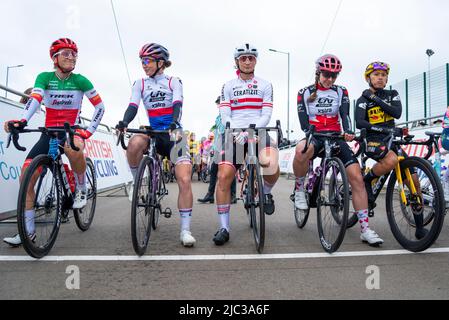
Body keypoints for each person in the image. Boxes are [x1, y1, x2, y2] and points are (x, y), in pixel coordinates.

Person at [3, 38, 105, 246]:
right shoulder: (45, 77)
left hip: (71, 130)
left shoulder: (81, 80)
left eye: (74, 54)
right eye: (66, 53)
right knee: (26, 177)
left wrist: (89, 132)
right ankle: (28, 231)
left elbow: (100, 107)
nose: (71, 57)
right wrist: (22, 120)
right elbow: (35, 99)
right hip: (49, 132)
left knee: (73, 147)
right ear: (54, 57)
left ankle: (82, 187)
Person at [293, 54, 383, 246]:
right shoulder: (304, 91)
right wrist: (310, 133)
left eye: (334, 75)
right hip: (315, 135)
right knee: (301, 149)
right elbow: (303, 121)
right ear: (318, 72)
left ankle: (365, 229)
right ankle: (300, 188)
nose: (330, 79)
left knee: (357, 178)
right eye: (326, 74)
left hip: (335, 137)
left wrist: (349, 131)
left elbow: (344, 115)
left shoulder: (341, 91)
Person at [115, 43, 196, 247]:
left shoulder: (173, 81)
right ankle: (137, 183)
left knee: (184, 179)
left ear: (161, 63)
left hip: (172, 132)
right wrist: (124, 122)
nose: (144, 65)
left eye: (148, 61)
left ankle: (185, 230)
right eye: (142, 61)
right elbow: (133, 106)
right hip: (152, 131)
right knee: (134, 144)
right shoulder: (140, 83)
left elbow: (177, 104)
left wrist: (174, 121)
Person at [212, 43, 280, 246]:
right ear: (237, 62)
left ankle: (265, 194)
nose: (248, 61)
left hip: (258, 130)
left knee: (272, 163)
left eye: (251, 58)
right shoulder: (228, 86)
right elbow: (225, 114)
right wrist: (236, 131)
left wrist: (250, 131)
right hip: (234, 132)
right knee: (223, 176)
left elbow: (266, 114)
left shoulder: (265, 85)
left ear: (255, 61)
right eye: (243, 58)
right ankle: (224, 227)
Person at [355, 61, 428, 240]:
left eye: (383, 75)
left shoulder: (391, 94)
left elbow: (396, 113)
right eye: (376, 75)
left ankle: (419, 228)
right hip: (372, 140)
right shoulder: (362, 99)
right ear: (369, 78)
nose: (380, 78)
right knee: (391, 161)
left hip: (390, 139)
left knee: (415, 182)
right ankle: (368, 179)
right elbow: (359, 122)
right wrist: (378, 128)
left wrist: (375, 99)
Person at [198, 97, 237, 204]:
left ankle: (233, 195)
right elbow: (217, 134)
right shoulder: (218, 118)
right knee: (213, 170)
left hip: (229, 144)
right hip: (218, 146)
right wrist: (214, 148)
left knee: (229, 170)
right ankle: (210, 195)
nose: (219, 106)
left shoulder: (230, 116)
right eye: (218, 105)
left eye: (220, 104)